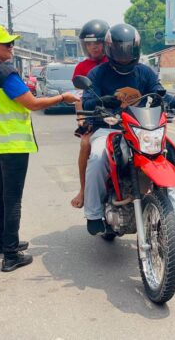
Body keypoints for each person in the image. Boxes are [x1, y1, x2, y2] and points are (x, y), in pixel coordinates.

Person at [81, 23, 175, 261]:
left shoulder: (145, 72)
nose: (124, 55)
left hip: (140, 128)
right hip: (109, 128)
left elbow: (160, 95)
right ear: (110, 49)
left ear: (136, 49)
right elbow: (87, 99)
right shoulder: (98, 74)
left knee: (163, 177)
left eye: (129, 49)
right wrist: (98, 103)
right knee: (96, 158)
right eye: (120, 49)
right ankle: (93, 214)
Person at [0, 24, 80, 272]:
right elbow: (33, 104)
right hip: (11, 145)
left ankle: (1, 243)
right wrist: (64, 98)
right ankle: (11, 255)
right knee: (12, 199)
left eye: (12, 42)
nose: (11, 46)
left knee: (2, 194)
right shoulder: (5, 73)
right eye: (6, 43)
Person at [71, 19, 110, 209]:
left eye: (97, 43)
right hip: (94, 119)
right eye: (89, 44)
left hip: (121, 117)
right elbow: (79, 98)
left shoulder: (116, 61)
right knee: (86, 144)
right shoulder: (82, 68)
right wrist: (81, 119)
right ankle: (84, 189)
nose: (93, 47)